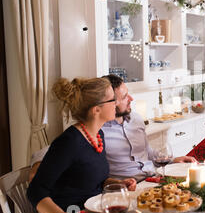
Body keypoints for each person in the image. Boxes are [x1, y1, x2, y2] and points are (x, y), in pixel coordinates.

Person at [29, 74, 196, 182]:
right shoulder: (96, 129)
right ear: (108, 102)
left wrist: (173, 160)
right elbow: (62, 147)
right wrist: (38, 164)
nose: (131, 98)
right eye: (124, 97)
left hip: (154, 178)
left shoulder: (136, 119)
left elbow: (147, 153)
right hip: (127, 188)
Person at [27, 77, 137, 213]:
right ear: (96, 109)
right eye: (112, 100)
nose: (117, 103)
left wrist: (116, 184)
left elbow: (89, 180)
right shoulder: (69, 142)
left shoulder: (98, 135)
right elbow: (35, 191)